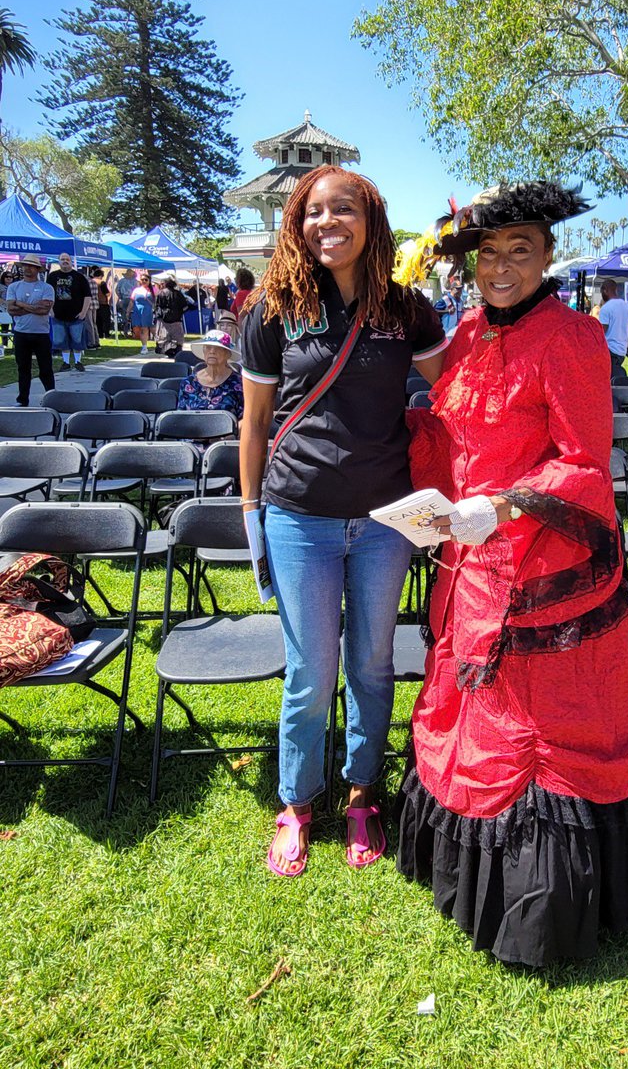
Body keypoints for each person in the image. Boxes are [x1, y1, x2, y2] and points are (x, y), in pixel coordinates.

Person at [393, 182, 628, 967]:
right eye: (489, 253)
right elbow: (453, 426)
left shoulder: (573, 337)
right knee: (468, 715)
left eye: (519, 251)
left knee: (540, 726)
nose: (500, 267)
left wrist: (510, 504)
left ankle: (544, 899)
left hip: (538, 558)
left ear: (549, 256)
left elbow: (586, 462)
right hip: (469, 557)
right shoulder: (463, 331)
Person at [239, 165, 448, 878]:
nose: (328, 223)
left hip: (388, 519)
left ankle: (363, 792)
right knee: (310, 671)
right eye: (313, 212)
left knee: (372, 662)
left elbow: (458, 384)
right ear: (296, 224)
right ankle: (297, 802)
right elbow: (257, 421)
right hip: (299, 517)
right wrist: (250, 513)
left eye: (344, 209)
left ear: (372, 219)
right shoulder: (275, 310)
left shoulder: (407, 310)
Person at [6, 253, 55, 406]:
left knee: (46, 368)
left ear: (37, 269)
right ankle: (22, 399)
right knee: (23, 368)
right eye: (25, 266)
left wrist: (21, 303)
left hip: (41, 333)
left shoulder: (46, 287)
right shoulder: (14, 286)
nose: (28, 269)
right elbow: (11, 309)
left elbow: (44, 310)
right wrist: (32, 306)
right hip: (21, 332)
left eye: (31, 266)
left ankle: (51, 398)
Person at [176, 329, 244, 418]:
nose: (212, 351)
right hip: (192, 431)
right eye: (208, 347)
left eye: (218, 348)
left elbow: (245, 419)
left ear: (227, 354)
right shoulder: (188, 383)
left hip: (228, 431)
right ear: (204, 352)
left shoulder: (239, 383)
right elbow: (180, 417)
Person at [47, 252, 91, 372]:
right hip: (58, 315)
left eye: (67, 259)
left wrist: (83, 312)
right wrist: (50, 310)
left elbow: (87, 296)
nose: (65, 261)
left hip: (76, 315)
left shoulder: (79, 277)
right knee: (61, 340)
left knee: (77, 340)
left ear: (71, 261)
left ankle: (78, 362)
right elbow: (47, 295)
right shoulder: (52, 277)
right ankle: (65, 363)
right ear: (59, 261)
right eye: (62, 259)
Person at [598, 277, 628, 378]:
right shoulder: (627, 307)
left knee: (605, 380)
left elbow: (601, 332)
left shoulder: (605, 309)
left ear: (605, 291)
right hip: (621, 352)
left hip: (609, 351)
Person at [155, 274, 189, 356]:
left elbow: (157, 306)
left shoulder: (160, 293)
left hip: (164, 319)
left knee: (164, 335)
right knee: (177, 336)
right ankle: (177, 349)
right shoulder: (178, 294)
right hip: (176, 318)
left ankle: (166, 349)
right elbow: (185, 306)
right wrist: (180, 312)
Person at [127, 272, 155, 355]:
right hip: (138, 311)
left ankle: (159, 343)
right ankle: (144, 346)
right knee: (141, 329)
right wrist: (128, 311)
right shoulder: (136, 290)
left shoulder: (153, 290)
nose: (144, 281)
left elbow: (158, 301)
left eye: (146, 280)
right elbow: (132, 302)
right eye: (142, 280)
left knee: (151, 329)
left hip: (149, 311)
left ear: (149, 280)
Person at [83, 265, 101, 349]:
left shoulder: (86, 281)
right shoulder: (94, 281)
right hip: (95, 303)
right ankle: (96, 342)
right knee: (94, 323)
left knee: (89, 324)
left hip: (88, 304)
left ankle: (91, 343)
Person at [115, 267, 138, 331]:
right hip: (133, 300)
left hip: (124, 299)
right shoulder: (135, 282)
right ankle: (134, 329)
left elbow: (117, 290)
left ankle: (125, 329)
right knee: (133, 313)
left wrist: (120, 296)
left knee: (124, 313)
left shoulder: (121, 281)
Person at [0, 267, 17, 351]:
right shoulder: (0, 286)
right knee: (4, 327)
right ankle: (4, 344)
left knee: (15, 327)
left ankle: (15, 345)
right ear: (3, 278)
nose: (9, 278)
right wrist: (4, 302)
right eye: (7, 277)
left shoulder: (15, 286)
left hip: (14, 309)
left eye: (11, 277)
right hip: (2, 309)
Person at [94, 269, 113, 339]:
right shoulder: (101, 282)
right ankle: (106, 334)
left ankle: (100, 334)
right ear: (100, 276)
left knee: (97, 320)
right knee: (106, 320)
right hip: (103, 303)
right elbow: (107, 293)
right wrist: (110, 291)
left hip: (94, 303)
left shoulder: (90, 282)